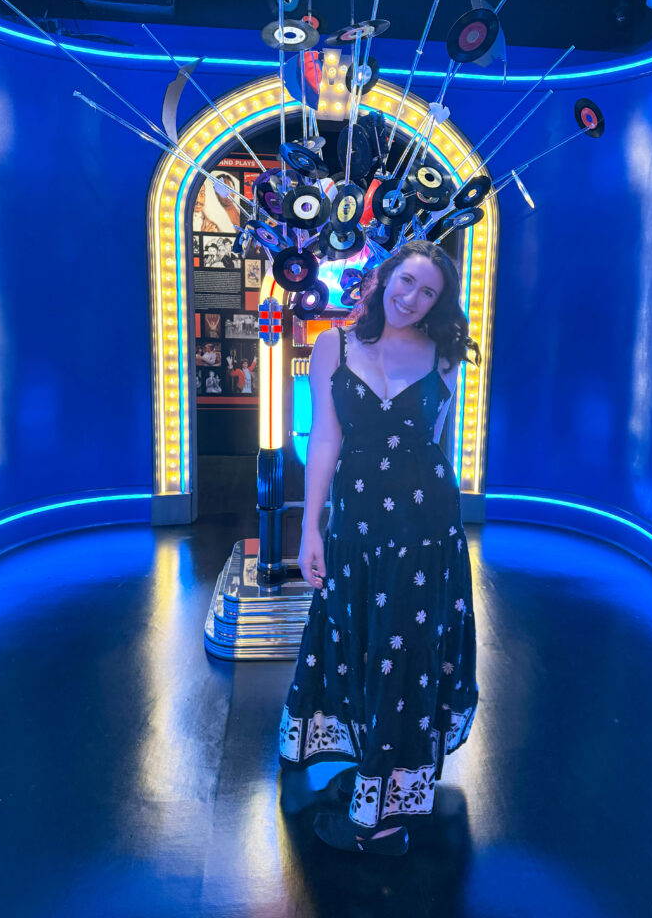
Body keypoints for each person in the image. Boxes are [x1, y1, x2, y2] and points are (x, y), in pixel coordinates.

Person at [278, 241, 481, 856]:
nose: (411, 298)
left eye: (428, 293)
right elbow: (326, 443)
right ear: (383, 276)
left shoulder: (444, 356)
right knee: (359, 642)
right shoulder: (331, 347)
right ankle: (375, 776)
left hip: (426, 536)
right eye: (406, 282)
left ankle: (381, 821)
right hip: (358, 532)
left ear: (438, 305)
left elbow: (434, 444)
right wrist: (310, 528)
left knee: (406, 659)